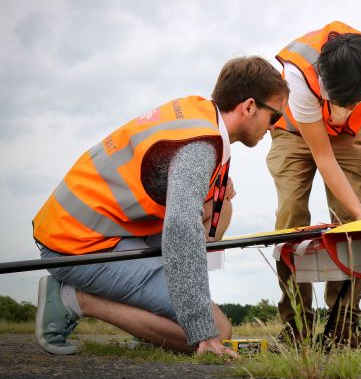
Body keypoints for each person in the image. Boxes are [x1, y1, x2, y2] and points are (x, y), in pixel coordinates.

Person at [33, 56, 289, 357]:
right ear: (248, 107)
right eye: (275, 117)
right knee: (217, 329)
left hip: (94, 228)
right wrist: (201, 330)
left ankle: (155, 321)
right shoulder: (200, 147)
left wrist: (213, 187)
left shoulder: (198, 114)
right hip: (76, 246)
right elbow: (181, 226)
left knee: (221, 208)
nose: (275, 128)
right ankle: (75, 298)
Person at [268, 21, 361, 350]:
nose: (338, 113)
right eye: (336, 102)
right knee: (291, 216)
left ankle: (344, 326)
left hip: (351, 137)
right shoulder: (298, 74)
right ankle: (296, 327)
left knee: (352, 226)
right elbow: (323, 157)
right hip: (295, 134)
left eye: (351, 103)